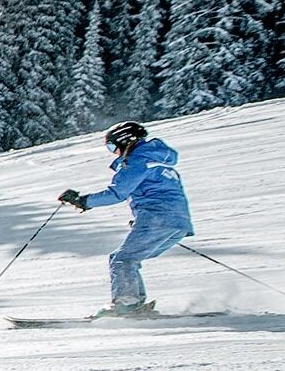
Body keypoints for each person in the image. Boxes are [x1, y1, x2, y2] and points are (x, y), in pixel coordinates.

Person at [59, 121, 195, 318]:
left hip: (158, 218)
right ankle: (133, 303)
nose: (114, 152)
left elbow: (117, 193)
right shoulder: (160, 161)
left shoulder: (137, 159)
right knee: (127, 259)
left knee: (123, 260)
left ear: (125, 141)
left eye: (113, 147)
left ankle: (127, 304)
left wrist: (82, 201)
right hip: (177, 221)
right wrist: (143, 219)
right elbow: (161, 193)